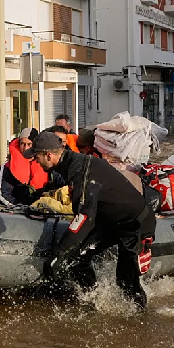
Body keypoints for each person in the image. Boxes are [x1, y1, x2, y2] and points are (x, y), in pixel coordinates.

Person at [26, 132, 155, 309]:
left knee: (125, 282)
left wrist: (58, 255)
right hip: (110, 220)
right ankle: (93, 302)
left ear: (49, 155)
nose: (36, 162)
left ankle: (141, 323)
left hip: (134, 224)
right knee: (78, 258)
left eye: (37, 157)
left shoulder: (82, 171)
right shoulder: (69, 164)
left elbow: (84, 219)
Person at [0, 127, 56, 206]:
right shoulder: (7, 167)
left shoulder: (48, 163)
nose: (25, 148)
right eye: (22, 144)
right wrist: (19, 207)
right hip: (17, 209)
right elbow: (2, 194)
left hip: (43, 207)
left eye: (29, 144)